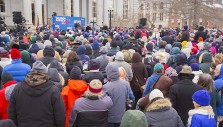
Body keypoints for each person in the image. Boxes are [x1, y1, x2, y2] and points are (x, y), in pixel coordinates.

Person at [8, 61, 66, 127]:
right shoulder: (53, 90)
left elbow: (12, 113)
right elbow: (60, 115)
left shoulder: (18, 89)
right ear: (46, 74)